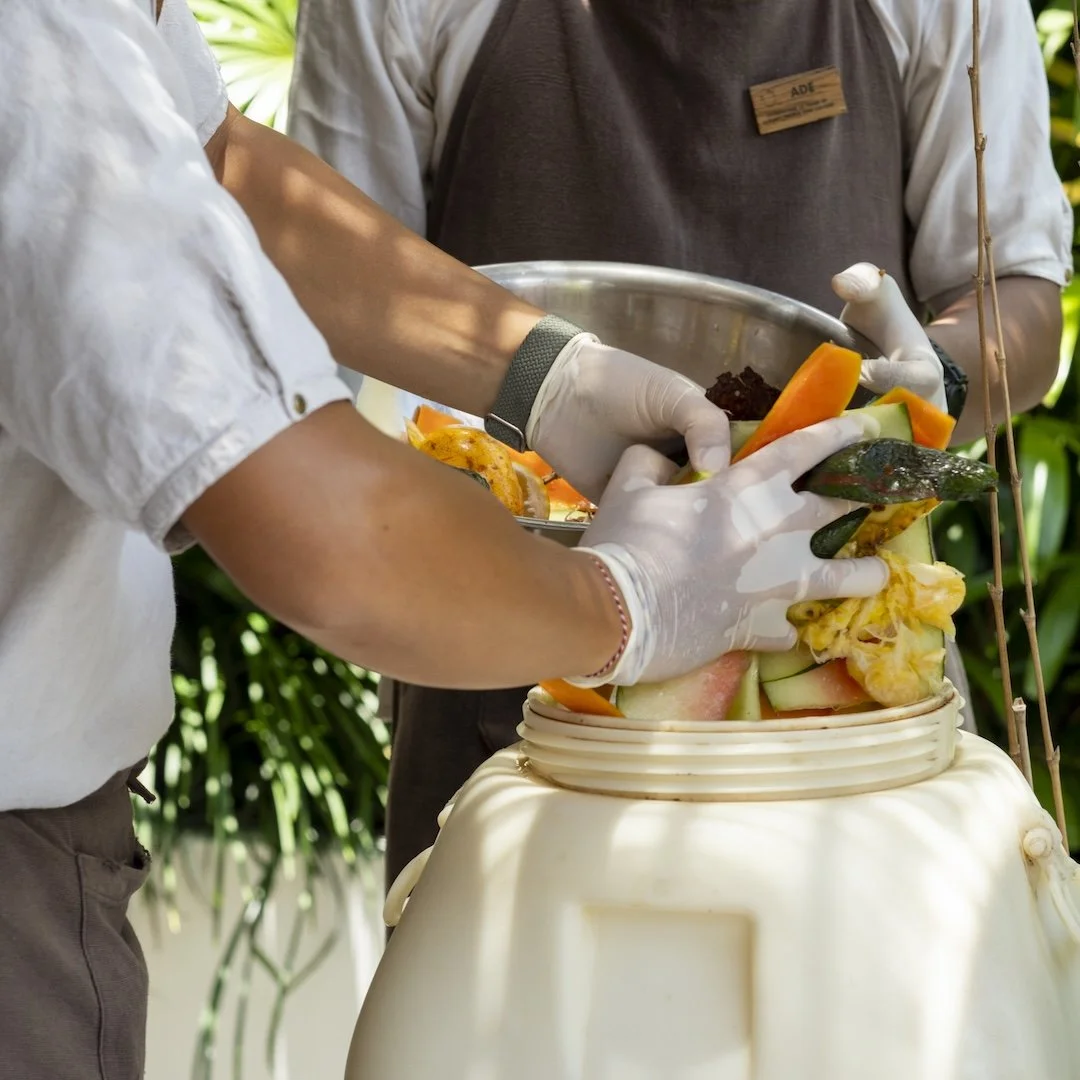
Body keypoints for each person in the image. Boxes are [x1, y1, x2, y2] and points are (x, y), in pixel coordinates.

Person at [0, 1, 899, 1074]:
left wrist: (544, 374)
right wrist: (629, 601)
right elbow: (330, 536)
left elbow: (220, 160)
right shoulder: (40, 55)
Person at [286, 0, 1074, 890]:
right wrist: (547, 382)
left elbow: (1020, 297)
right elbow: (315, 275)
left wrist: (939, 379)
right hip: (507, 668)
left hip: (847, 682)